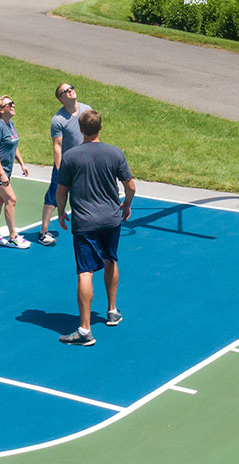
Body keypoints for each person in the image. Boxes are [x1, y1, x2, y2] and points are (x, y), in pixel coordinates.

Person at [55, 109, 136, 346]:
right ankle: (112, 311)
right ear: (101, 128)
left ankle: (85, 330)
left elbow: (62, 191)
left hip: (84, 223)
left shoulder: (71, 157)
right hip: (111, 220)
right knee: (111, 259)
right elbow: (130, 186)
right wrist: (126, 205)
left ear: (81, 131)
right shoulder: (115, 153)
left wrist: (61, 212)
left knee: (85, 272)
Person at [38, 82, 92, 247]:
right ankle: (43, 232)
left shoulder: (86, 109)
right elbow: (57, 146)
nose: (70, 91)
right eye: (65, 91)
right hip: (66, 163)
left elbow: (93, 132)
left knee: (87, 193)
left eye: (71, 88)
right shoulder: (58, 119)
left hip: (85, 161)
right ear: (61, 99)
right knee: (54, 195)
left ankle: (89, 226)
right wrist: (60, 169)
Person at [0, 95, 31, 248]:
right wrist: (1, 174)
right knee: (11, 199)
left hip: (4, 170)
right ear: (1, 110)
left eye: (13, 103)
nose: (13, 106)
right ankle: (13, 237)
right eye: (9, 104)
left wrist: (22, 164)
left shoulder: (10, 124)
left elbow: (13, 145)